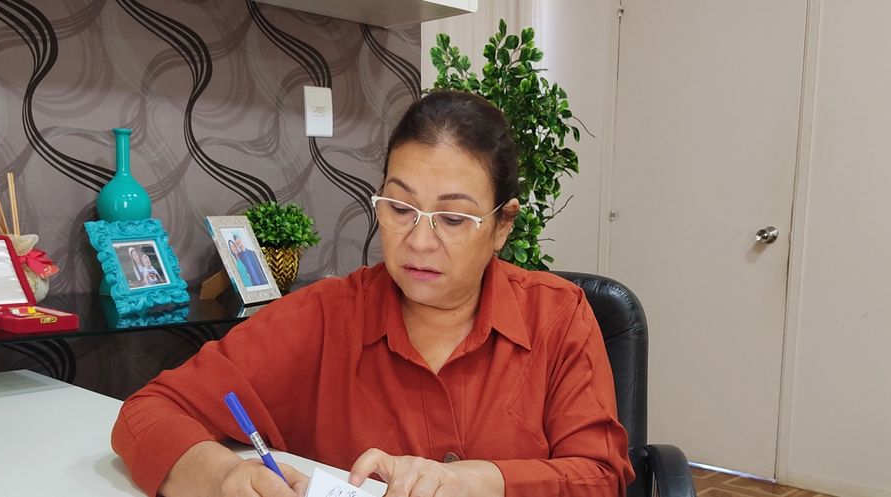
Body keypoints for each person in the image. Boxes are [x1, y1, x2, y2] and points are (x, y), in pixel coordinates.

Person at [112, 90, 635, 497]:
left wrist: (477, 481)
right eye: (400, 208)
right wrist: (222, 477)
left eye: (453, 218)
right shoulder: (324, 316)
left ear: (502, 225)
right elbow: (148, 413)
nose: (419, 241)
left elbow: (602, 477)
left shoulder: (556, 316)